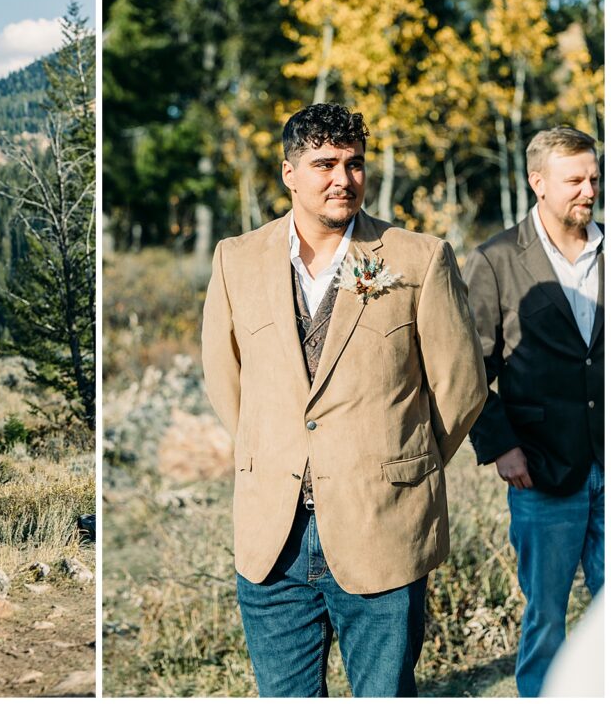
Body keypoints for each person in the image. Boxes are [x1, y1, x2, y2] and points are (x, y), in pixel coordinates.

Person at [201, 102, 487, 696]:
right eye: (325, 163)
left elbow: (461, 387)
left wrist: (401, 459)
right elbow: (225, 378)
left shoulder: (418, 257)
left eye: (354, 164)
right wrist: (271, 450)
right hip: (270, 538)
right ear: (289, 173)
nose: (344, 178)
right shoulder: (236, 259)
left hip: (383, 526)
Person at [463, 126, 603, 697]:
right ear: (537, 182)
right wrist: (500, 446)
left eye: (595, 178)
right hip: (542, 470)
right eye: (575, 180)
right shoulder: (494, 260)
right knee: (547, 617)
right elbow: (467, 368)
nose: (589, 190)